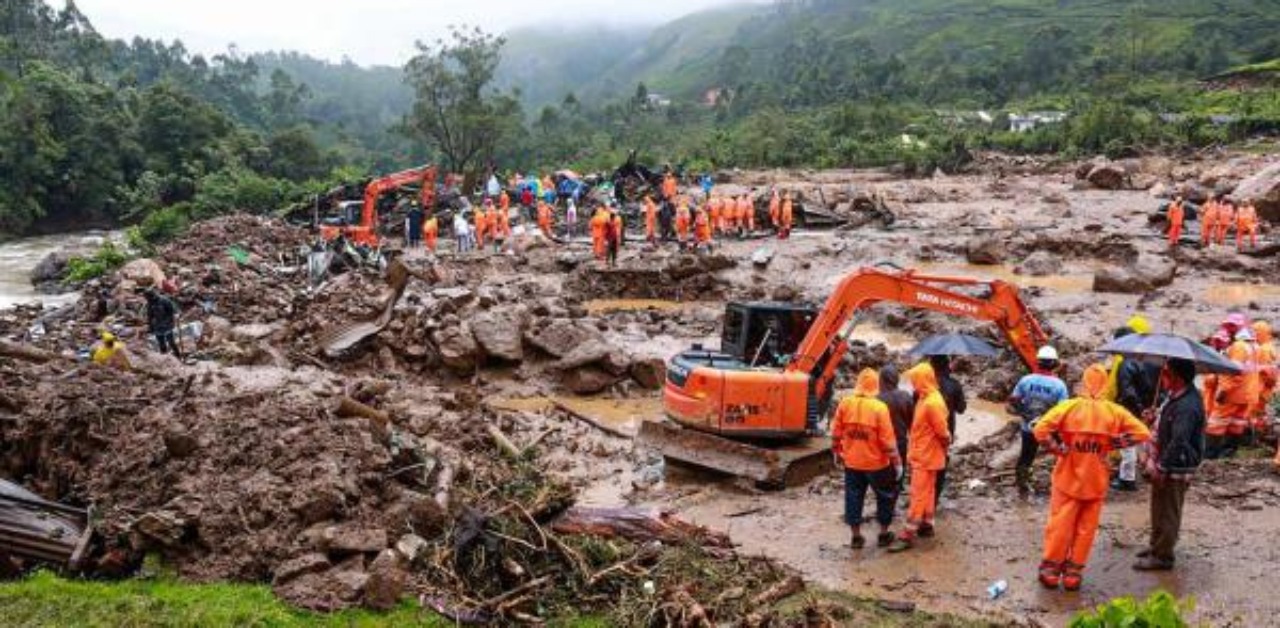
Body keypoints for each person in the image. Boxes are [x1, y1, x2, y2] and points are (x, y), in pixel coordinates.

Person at [1033, 364, 1151, 590]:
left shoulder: (1069, 407)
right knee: (1086, 529)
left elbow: (1040, 430)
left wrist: (1057, 449)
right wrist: (1116, 443)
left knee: (1060, 524)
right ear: (1105, 384)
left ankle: (1051, 571)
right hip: (1096, 480)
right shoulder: (1114, 411)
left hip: (1067, 477)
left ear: (1084, 383)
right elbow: (1143, 433)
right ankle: (1073, 574)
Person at [1134, 358, 1204, 571]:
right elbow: (1168, 423)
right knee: (1158, 506)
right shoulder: (1175, 396)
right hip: (1165, 460)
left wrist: (1162, 467)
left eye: (1166, 373)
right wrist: (1154, 417)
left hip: (1175, 465)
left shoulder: (1188, 405)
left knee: (1168, 510)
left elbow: (1179, 440)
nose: (1162, 376)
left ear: (1177, 377)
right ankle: (1156, 545)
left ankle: (1163, 556)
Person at [831, 368, 902, 549]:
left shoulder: (845, 403)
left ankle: (856, 537)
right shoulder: (879, 408)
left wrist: (837, 451)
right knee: (885, 497)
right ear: (875, 385)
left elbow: (836, 432)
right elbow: (888, 441)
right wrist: (897, 462)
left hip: (852, 463)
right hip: (877, 464)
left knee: (853, 497)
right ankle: (883, 534)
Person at [889, 362, 951, 552]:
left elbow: (943, 433)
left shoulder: (932, 402)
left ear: (923, 380)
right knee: (928, 491)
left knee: (918, 494)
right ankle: (927, 524)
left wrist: (945, 445)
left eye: (915, 380)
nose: (913, 384)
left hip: (925, 455)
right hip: (926, 454)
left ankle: (908, 534)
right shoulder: (927, 398)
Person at [1009, 346, 1071, 497]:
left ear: (1038, 362)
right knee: (1062, 454)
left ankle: (1022, 487)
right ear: (1054, 363)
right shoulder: (1059, 385)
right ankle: (1062, 484)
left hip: (1028, 427)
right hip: (1050, 430)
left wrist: (1028, 416)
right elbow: (1062, 411)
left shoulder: (1026, 380)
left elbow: (1014, 400)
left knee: (1026, 456)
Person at [1207, 325, 1259, 458]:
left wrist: (1223, 391)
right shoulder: (1252, 347)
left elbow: (1234, 372)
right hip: (1247, 393)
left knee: (1216, 423)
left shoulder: (1238, 347)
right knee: (1236, 423)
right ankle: (1229, 452)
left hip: (1233, 394)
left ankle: (1210, 453)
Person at [929, 355, 966, 504]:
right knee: (941, 461)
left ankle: (925, 496)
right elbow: (961, 409)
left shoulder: (924, 385)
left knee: (926, 463)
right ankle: (935, 498)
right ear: (948, 366)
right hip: (946, 430)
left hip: (925, 431)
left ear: (931, 366)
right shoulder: (954, 385)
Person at [878, 366, 915, 485]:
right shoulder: (906, 396)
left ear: (882, 380)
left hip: (881, 442)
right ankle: (898, 486)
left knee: (883, 472)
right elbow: (912, 423)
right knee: (899, 471)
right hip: (901, 440)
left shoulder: (877, 399)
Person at [143, 286, 181, 358]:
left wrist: (173, 319)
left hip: (167, 325)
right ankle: (165, 359)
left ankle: (178, 356)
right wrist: (151, 327)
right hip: (157, 326)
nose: (150, 299)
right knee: (161, 344)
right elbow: (150, 316)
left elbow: (172, 311)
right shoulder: (150, 303)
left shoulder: (164, 300)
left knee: (171, 342)